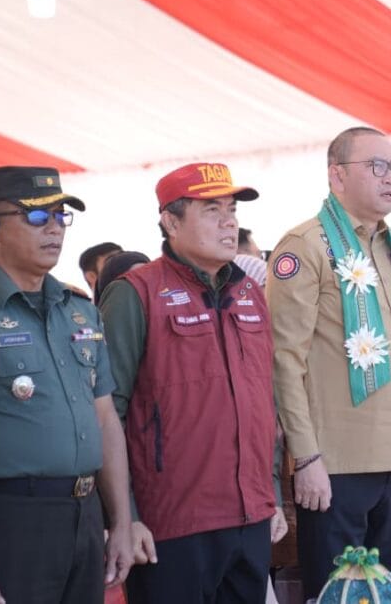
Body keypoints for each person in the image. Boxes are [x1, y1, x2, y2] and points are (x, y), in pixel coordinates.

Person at [0, 166, 132, 604]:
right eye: (35, 216)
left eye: (60, 216)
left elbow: (106, 421)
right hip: (9, 520)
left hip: (85, 515)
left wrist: (122, 521)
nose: (53, 229)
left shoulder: (81, 309)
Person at [99, 162, 285, 603]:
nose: (229, 222)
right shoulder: (135, 293)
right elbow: (106, 413)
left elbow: (266, 401)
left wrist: (272, 493)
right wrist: (126, 517)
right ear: (171, 221)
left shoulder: (249, 292)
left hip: (251, 516)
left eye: (232, 210)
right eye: (211, 210)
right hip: (170, 524)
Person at [267, 127, 391, 596]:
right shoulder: (305, 246)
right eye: (376, 166)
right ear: (336, 176)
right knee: (339, 593)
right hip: (336, 462)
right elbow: (285, 361)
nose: (390, 177)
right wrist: (306, 457)